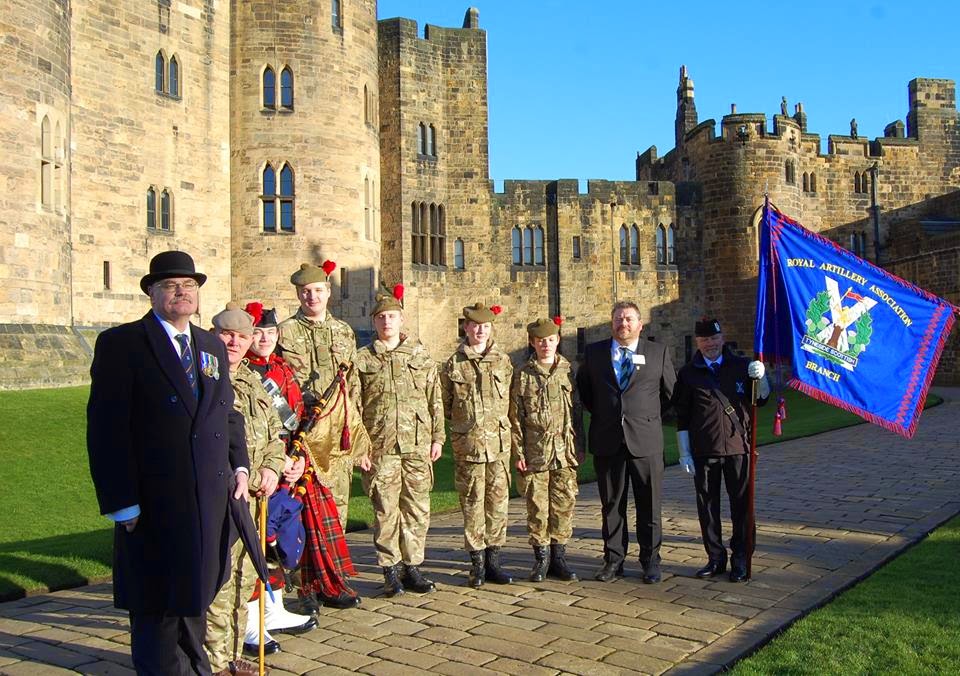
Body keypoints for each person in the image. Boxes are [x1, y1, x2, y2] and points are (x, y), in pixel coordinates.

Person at [87, 250, 249, 675]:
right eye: (171, 286)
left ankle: (196, 668)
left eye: (190, 286)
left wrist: (241, 466)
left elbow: (226, 412)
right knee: (157, 604)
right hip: (155, 500)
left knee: (196, 596)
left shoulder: (209, 344)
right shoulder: (122, 344)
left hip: (208, 497)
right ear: (152, 293)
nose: (183, 293)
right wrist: (122, 502)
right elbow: (106, 429)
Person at [244, 302, 361, 613]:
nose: (265, 338)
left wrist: (299, 459)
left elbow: (295, 416)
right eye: (258, 332)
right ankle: (269, 606)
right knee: (265, 535)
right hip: (261, 464)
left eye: (269, 332)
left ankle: (309, 589)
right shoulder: (242, 373)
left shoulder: (282, 369)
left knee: (297, 531)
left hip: (293, 459)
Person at [204, 303, 289, 675]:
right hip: (221, 499)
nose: (234, 342)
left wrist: (272, 468)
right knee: (218, 584)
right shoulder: (203, 379)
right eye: (227, 335)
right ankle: (212, 661)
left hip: (257, 500)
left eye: (241, 336)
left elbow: (275, 434)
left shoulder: (255, 382)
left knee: (245, 577)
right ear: (213, 335)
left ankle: (234, 652)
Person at [576, 301, 676, 584]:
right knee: (611, 505)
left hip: (646, 441)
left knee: (650, 505)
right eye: (619, 319)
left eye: (629, 319)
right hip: (608, 440)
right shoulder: (595, 354)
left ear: (640, 324)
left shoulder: (657, 352)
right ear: (612, 324)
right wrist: (609, 415)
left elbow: (671, 394)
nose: (624, 324)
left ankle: (650, 561)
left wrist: (647, 417)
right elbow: (586, 393)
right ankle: (613, 560)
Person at [354, 285, 444, 597]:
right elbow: (354, 408)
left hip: (417, 445)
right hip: (381, 447)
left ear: (402, 319)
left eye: (392, 316)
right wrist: (358, 447)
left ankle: (412, 566)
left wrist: (438, 437)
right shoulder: (362, 359)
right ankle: (389, 570)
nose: (387, 322)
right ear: (374, 322)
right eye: (381, 317)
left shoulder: (420, 355)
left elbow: (435, 399)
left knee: (418, 508)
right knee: (386, 510)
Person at [673, 317, 769, 583]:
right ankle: (715, 557)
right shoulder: (688, 373)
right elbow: (682, 416)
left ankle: (741, 556)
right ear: (697, 342)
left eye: (714, 339)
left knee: (742, 506)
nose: (710, 344)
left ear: (722, 338)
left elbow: (760, 400)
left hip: (739, 448)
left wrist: (762, 378)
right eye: (704, 340)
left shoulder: (742, 366)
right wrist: (684, 451)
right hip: (704, 450)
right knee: (707, 506)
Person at [278, 260, 362, 530]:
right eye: (305, 291)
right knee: (299, 510)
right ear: (298, 294)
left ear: (328, 292)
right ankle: (298, 572)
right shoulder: (284, 332)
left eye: (316, 290)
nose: (311, 296)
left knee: (336, 508)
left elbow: (353, 385)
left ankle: (333, 571)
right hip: (301, 431)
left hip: (336, 433)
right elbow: (275, 387)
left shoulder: (344, 332)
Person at [440, 303, 514, 588]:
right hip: (468, 445)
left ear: (491, 328)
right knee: (472, 503)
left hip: (498, 444)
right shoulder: (453, 363)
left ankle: (494, 560)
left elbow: (510, 402)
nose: (480, 330)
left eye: (485, 326)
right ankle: (477, 564)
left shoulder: (503, 361)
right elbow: (445, 404)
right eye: (475, 326)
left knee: (497, 504)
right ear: (466, 327)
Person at [510, 317, 584, 583]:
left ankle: (559, 558)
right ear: (532, 342)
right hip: (535, 453)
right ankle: (541, 559)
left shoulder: (568, 370)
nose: (545, 345)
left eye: (550, 340)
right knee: (537, 508)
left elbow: (577, 414)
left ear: (558, 340)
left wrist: (580, 448)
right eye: (540, 341)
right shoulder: (522, 373)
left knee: (564, 505)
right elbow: (515, 417)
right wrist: (518, 454)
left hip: (564, 453)